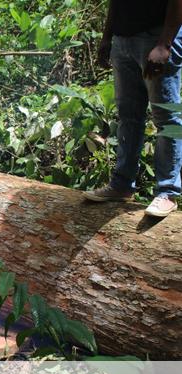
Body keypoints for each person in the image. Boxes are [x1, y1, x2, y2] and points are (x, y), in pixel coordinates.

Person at [83, 0, 182, 217]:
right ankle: (122, 185)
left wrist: (165, 44)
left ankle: (168, 192)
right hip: (123, 40)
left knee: (166, 117)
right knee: (128, 116)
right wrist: (108, 37)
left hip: (156, 37)